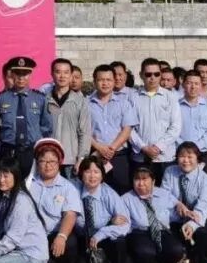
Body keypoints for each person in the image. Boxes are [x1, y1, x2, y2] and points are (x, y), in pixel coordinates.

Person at [27, 139, 82, 263]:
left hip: (53, 234)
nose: (48, 165)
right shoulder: (28, 184)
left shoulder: (67, 187)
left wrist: (62, 236)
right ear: (37, 163)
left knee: (70, 241)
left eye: (52, 161)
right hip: (31, 234)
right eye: (43, 161)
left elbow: (70, 214)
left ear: (59, 163)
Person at [74, 156, 134, 263]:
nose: (92, 176)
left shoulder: (109, 193)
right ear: (81, 174)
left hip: (103, 237)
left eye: (96, 172)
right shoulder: (74, 191)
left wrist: (102, 232)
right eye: (88, 171)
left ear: (102, 175)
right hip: (83, 237)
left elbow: (125, 223)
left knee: (119, 242)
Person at [161, 142, 207, 263]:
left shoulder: (205, 180)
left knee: (202, 234)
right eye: (182, 156)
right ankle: (180, 256)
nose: (185, 160)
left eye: (190, 157)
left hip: (196, 218)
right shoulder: (170, 172)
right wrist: (177, 204)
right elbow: (164, 194)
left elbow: (205, 206)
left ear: (198, 159)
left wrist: (192, 224)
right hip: (174, 216)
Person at [0, 56, 53, 178]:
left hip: (31, 150)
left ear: (30, 75)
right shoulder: (0, 99)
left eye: (25, 74)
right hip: (8, 150)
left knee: (31, 183)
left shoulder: (40, 99)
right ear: (12, 75)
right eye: (17, 74)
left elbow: (47, 127)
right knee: (7, 182)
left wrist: (39, 145)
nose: (21, 78)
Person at [122, 166, 184, 263]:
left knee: (177, 250)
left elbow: (176, 206)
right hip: (139, 232)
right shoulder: (126, 199)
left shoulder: (164, 194)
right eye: (137, 179)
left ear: (153, 181)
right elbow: (124, 223)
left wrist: (182, 208)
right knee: (146, 251)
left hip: (162, 230)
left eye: (144, 179)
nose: (141, 183)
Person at [129, 58, 183, 183]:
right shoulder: (133, 98)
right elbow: (128, 128)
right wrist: (143, 147)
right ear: (141, 75)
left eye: (156, 74)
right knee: (141, 190)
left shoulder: (170, 97)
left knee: (166, 192)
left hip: (165, 157)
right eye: (148, 74)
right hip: (141, 158)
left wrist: (159, 146)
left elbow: (175, 126)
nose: (152, 78)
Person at [87, 64, 138, 195]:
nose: (105, 83)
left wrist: (112, 148)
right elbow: (82, 130)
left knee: (122, 192)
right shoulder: (85, 103)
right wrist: (99, 147)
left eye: (108, 80)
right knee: (96, 191)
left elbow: (127, 129)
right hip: (95, 155)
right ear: (94, 81)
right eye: (101, 80)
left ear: (114, 81)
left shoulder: (124, 103)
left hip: (119, 155)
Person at [45, 58, 92, 179]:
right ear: (52, 74)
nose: (62, 76)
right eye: (58, 72)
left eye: (66, 72)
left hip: (71, 160)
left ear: (71, 75)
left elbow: (84, 133)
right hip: (48, 159)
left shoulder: (80, 102)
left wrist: (81, 159)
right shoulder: (44, 100)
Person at [178, 70, 207, 169]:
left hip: (205, 153)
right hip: (182, 153)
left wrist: (196, 147)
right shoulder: (176, 106)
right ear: (183, 85)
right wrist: (185, 148)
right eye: (189, 83)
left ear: (201, 85)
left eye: (196, 84)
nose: (193, 87)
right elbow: (173, 129)